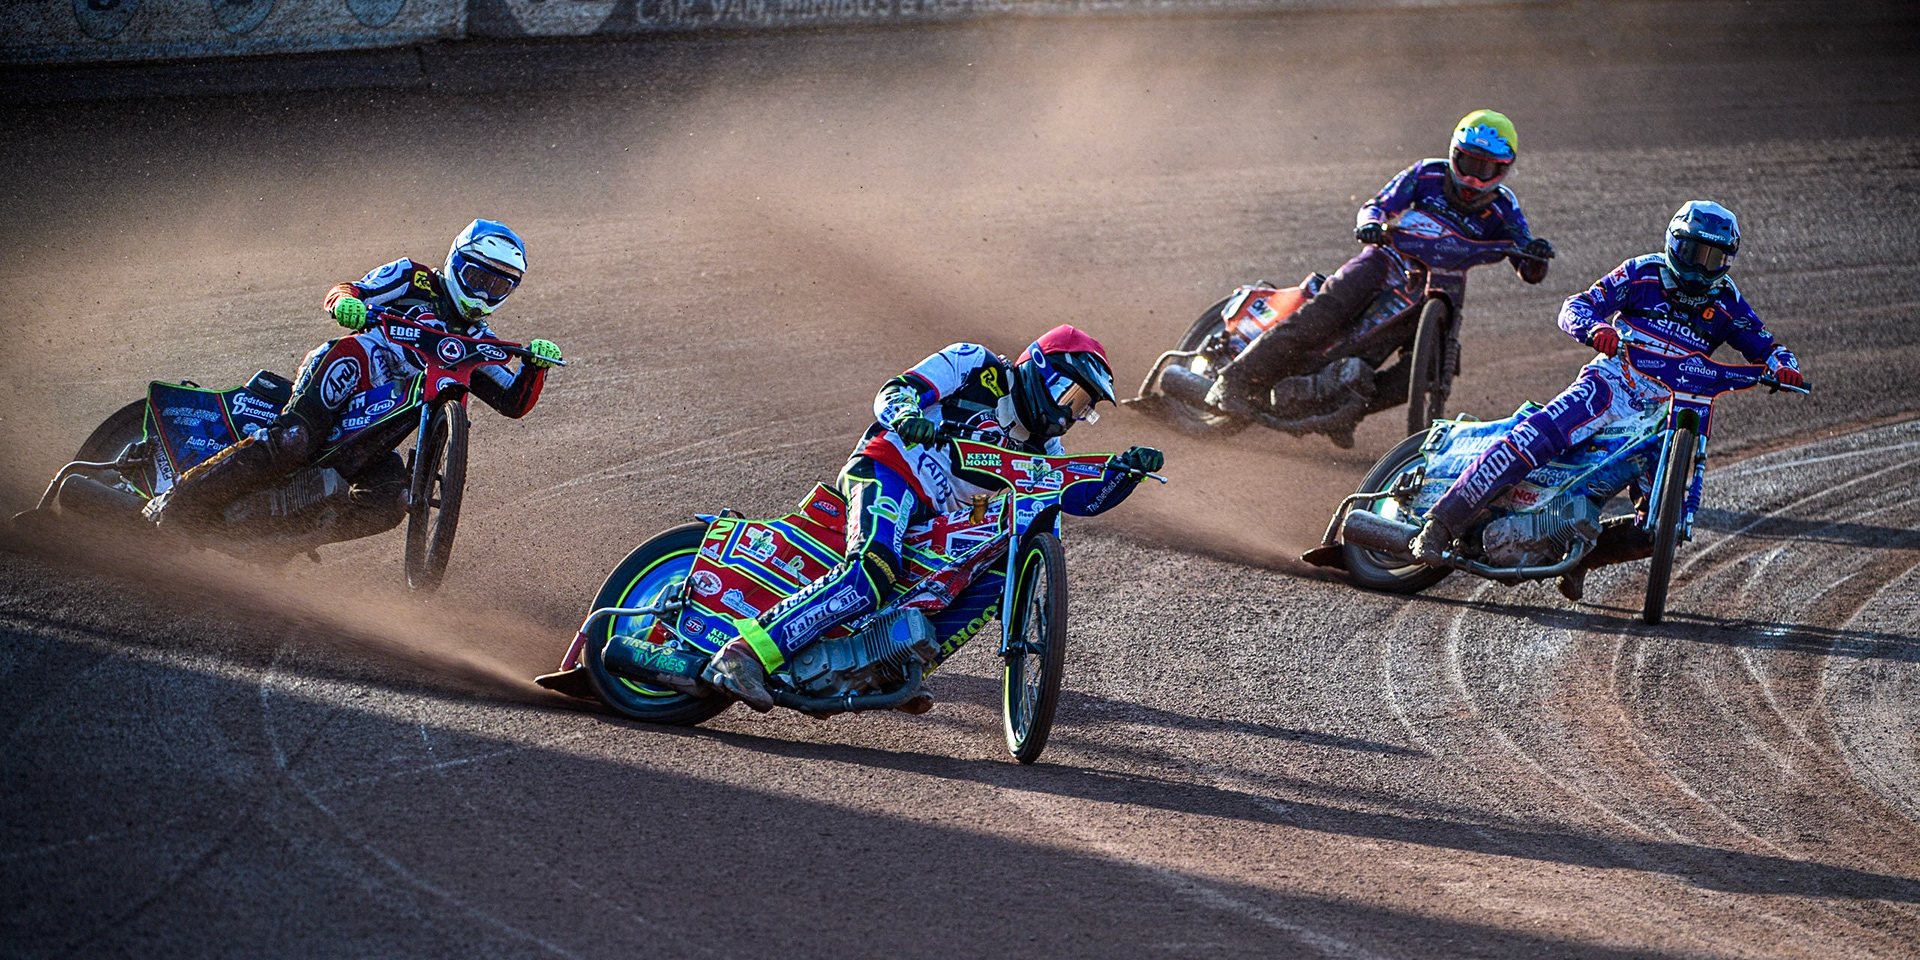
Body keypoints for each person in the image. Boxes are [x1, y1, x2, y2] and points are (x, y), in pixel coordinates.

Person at [702, 325, 1166, 712]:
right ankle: (744, 653)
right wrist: (906, 416)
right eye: (1073, 395)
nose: (1071, 414)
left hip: (938, 517)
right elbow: (896, 390)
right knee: (872, 571)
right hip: (889, 470)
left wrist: (1124, 475)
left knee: (1004, 569)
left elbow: (1076, 499)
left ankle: (895, 667)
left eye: (1084, 408)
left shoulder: (1044, 448)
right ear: (1042, 369)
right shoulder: (974, 363)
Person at [1407, 200, 1803, 600]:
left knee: (1661, 528)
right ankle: (1442, 523)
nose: (1699, 267)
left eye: (1711, 257)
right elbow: (1576, 306)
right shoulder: (1640, 272)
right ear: (1672, 243)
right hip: (1612, 381)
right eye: (1690, 252)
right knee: (1537, 435)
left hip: (1671, 407)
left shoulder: (1728, 302)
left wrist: (1783, 366)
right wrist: (1595, 328)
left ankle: (1581, 560)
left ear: (1727, 260)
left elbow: (1768, 346)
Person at [146, 219, 564, 532]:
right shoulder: (412, 277)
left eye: (499, 286)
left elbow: (513, 402)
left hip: (377, 427)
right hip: (351, 365)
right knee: (294, 439)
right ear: (456, 262)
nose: (485, 292)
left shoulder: (479, 343)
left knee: (390, 501)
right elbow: (347, 290)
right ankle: (176, 506)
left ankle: (274, 536)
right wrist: (347, 304)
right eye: (478, 277)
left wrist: (534, 367)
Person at [1205, 110, 1554, 421]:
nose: (1474, 179)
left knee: (1430, 367)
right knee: (1321, 317)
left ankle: (1344, 412)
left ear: (1504, 168)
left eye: (1486, 168)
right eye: (1468, 164)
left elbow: (1526, 264)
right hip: (1384, 261)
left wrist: (1535, 255)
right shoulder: (1426, 174)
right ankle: (1230, 382)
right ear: (1453, 155)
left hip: (1438, 287)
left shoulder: (1505, 209)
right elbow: (1378, 204)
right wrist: (1370, 222)